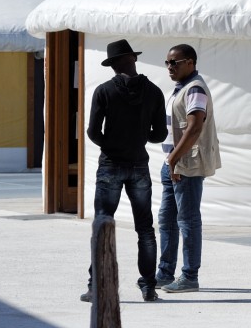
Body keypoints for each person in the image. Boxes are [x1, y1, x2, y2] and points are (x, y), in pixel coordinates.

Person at [84, 39, 167, 302]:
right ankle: (149, 287)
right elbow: (160, 134)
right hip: (138, 165)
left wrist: (113, 144)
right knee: (145, 229)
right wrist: (139, 136)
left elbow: (93, 132)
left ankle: (96, 285)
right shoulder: (154, 92)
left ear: (114, 64)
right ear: (133, 59)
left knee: (102, 225)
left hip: (110, 164)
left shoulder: (104, 91)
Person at [156, 44, 221, 294]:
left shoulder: (194, 89)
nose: (170, 67)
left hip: (186, 166)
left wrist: (173, 159)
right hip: (173, 164)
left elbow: (194, 128)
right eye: (167, 63)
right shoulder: (181, 89)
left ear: (190, 62)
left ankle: (189, 276)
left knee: (188, 221)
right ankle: (165, 272)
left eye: (175, 62)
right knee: (167, 220)